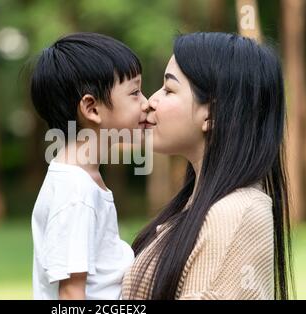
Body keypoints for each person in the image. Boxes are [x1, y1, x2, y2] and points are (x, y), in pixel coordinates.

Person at [122, 32, 295, 300]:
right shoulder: (200, 207)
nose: (150, 102)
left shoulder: (236, 214)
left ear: (212, 114)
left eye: (169, 89)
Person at [30, 32, 149, 299]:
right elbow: (71, 294)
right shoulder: (76, 191)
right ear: (92, 108)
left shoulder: (84, 180)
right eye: (135, 92)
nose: (146, 103)